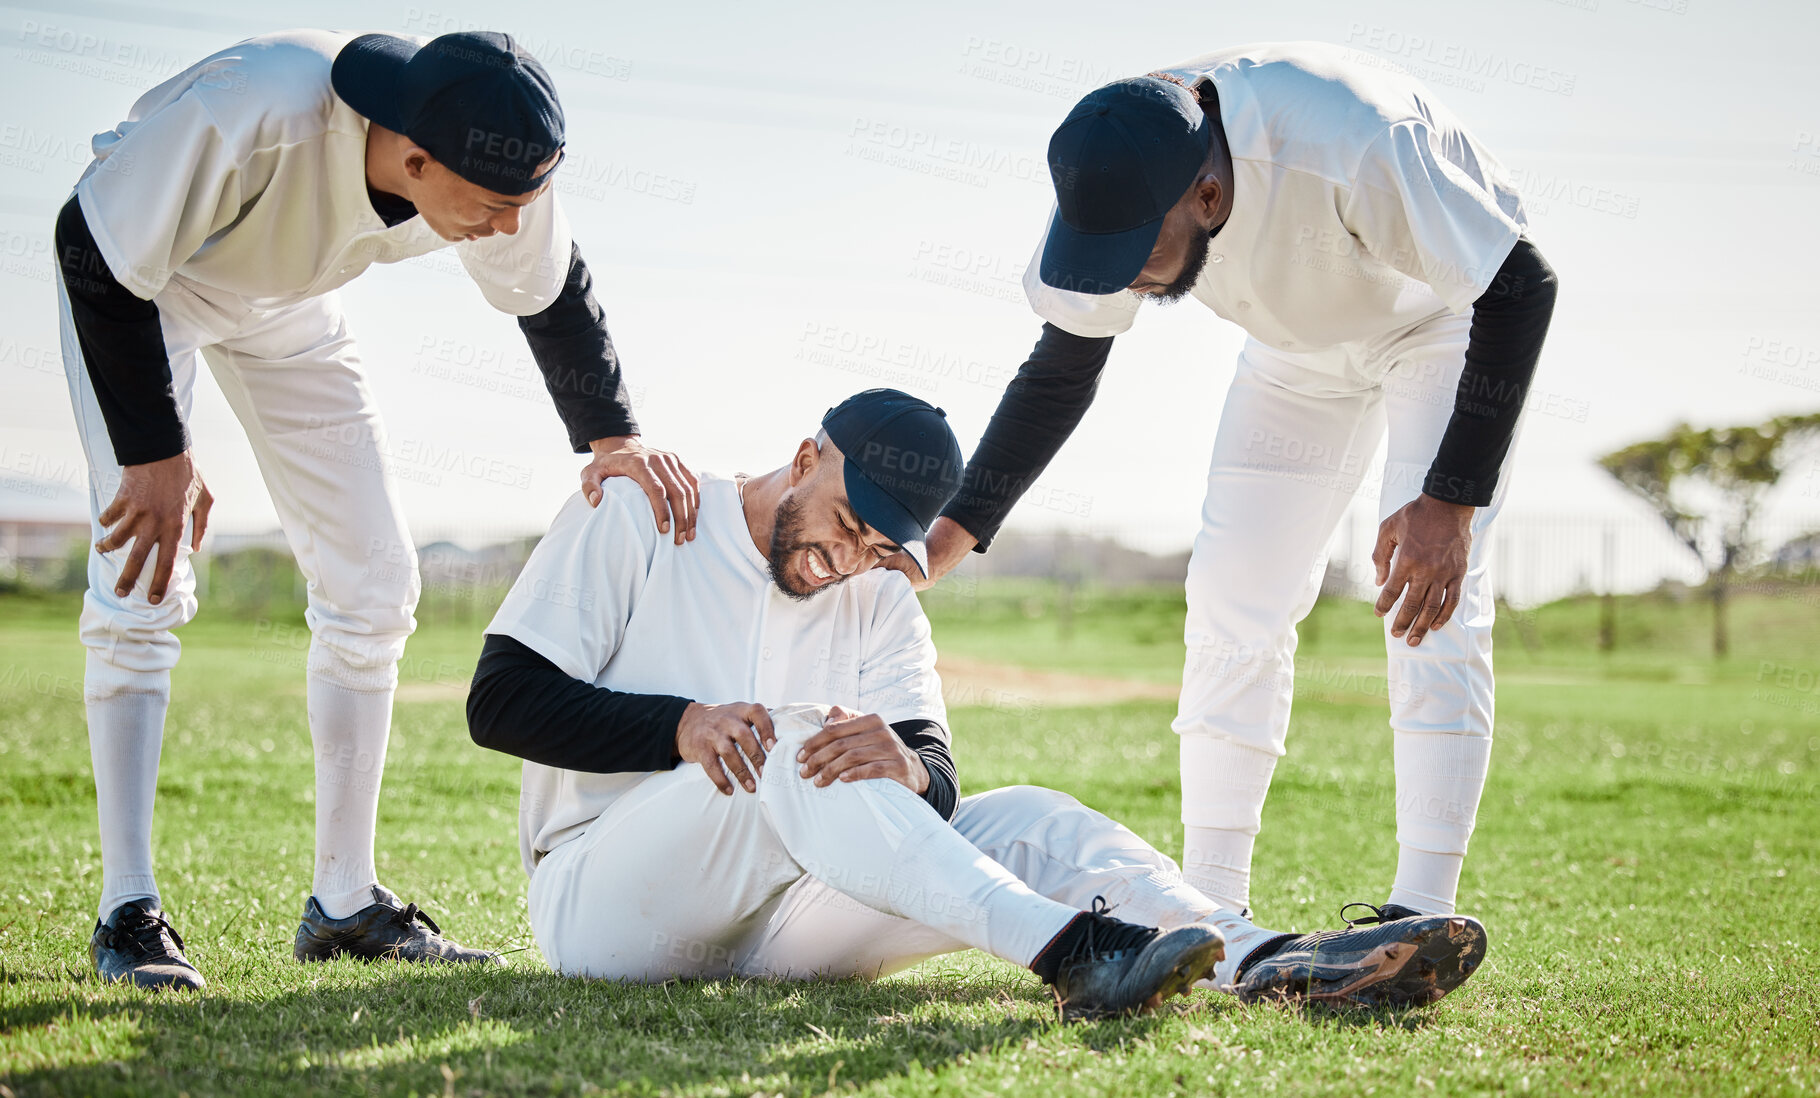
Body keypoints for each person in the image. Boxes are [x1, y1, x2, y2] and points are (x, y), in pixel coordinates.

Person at [465, 388, 1486, 1012]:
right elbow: (497, 702)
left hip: (781, 927)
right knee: (789, 737)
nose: (846, 560)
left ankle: (1266, 962)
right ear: (807, 454)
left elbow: (936, 776)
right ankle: (1071, 953)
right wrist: (681, 725)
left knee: (1028, 814)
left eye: (878, 546)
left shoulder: (876, 592)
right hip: (605, 907)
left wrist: (905, 767)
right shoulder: (655, 511)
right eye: (843, 521)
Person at [56, 28, 697, 990]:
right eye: (490, 208)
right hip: (144, 288)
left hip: (287, 308)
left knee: (378, 584)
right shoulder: (263, 109)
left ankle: (345, 904)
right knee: (142, 580)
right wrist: (157, 456)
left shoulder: (497, 155)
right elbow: (94, 245)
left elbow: (552, 287)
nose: (507, 225)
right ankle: (127, 910)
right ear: (412, 156)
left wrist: (614, 437)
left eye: (524, 203)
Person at [905, 44, 1558, 972]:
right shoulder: (1117, 158)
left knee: (1427, 606)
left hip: (1445, 323)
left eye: (1139, 253)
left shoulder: (1354, 138)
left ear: (1207, 197)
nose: (1124, 275)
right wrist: (950, 539)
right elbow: (1060, 372)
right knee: (1229, 597)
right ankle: (1214, 909)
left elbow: (1520, 285)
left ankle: (1422, 912)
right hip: (1294, 355)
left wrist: (1449, 502)